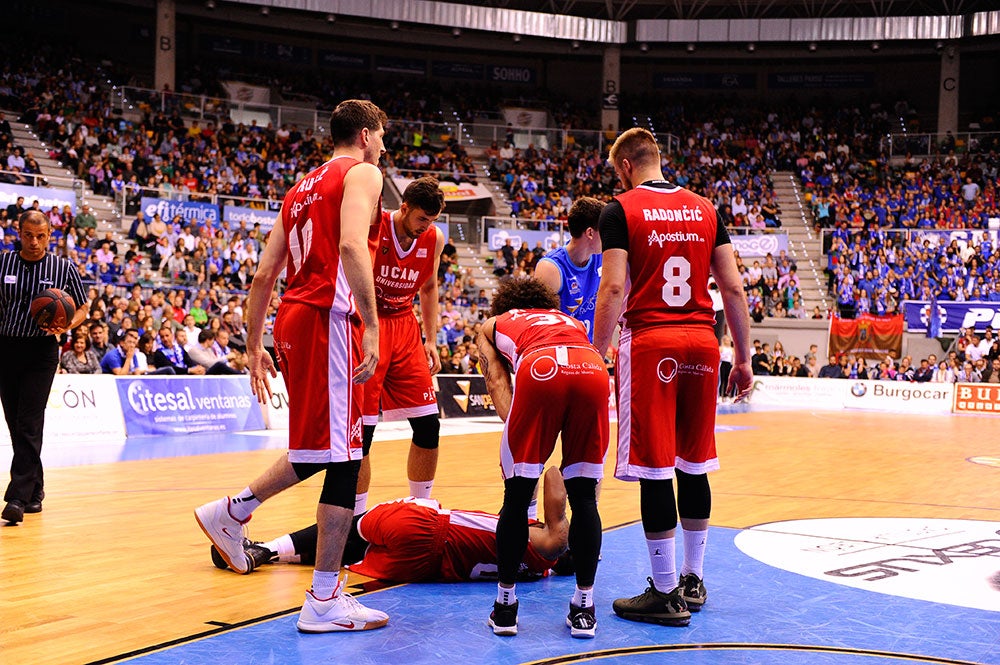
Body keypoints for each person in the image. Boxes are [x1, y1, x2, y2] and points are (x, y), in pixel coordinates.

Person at [193, 99, 388, 633]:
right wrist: (372, 322)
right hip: (329, 317)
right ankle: (324, 600)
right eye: (383, 137)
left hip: (293, 319)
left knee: (320, 448)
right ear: (367, 135)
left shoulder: (300, 187)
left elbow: (262, 275)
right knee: (348, 457)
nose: (384, 148)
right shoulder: (364, 172)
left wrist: (254, 346)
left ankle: (231, 512)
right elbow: (352, 244)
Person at [592, 128, 753, 627]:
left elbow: (614, 284)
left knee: (656, 467)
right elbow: (733, 287)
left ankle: (664, 594)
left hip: (652, 344)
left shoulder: (620, 208)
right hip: (703, 345)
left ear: (623, 167)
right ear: (658, 158)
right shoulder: (706, 209)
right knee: (694, 462)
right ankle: (693, 578)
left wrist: (597, 351)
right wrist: (743, 358)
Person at [476, 278, 609, 639]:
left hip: (541, 369)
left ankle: (505, 608)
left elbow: (496, 378)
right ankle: (584, 608)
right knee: (584, 498)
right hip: (591, 369)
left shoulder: (495, 323)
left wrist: (514, 424)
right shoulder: (570, 318)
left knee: (517, 499)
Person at [210, 466, 571, 583]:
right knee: (352, 549)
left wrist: (579, 501)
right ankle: (266, 555)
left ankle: (269, 548)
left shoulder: (545, 546)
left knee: (349, 526)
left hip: (427, 527)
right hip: (423, 569)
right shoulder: (529, 566)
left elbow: (554, 474)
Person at [357, 176, 445, 514]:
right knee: (363, 432)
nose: (426, 227)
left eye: (433, 221)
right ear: (404, 208)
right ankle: (356, 516)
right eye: (422, 218)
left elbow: (429, 288)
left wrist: (432, 339)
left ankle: (421, 508)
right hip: (369, 323)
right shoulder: (375, 228)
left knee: (428, 425)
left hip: (406, 326)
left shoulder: (433, 238)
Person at [0, 210, 87, 524]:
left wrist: (66, 326)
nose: (34, 242)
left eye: (41, 236)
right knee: (14, 423)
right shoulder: (3, 263)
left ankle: (17, 498)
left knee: (28, 422)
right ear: (18, 233)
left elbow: (83, 306)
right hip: (6, 347)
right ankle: (35, 491)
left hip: (41, 352)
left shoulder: (62, 267)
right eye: (28, 235)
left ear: (50, 235)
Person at [533, 197, 604, 341]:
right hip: (559, 350)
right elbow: (538, 325)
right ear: (590, 233)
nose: (609, 236)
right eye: (605, 230)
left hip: (589, 348)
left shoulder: (603, 256)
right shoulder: (550, 268)